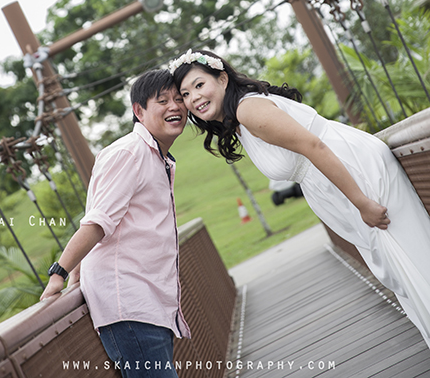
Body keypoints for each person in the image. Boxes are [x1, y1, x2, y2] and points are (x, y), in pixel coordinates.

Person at [170, 48, 430, 348]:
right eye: (185, 94)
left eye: (199, 85)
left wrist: (362, 202)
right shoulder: (240, 119)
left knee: (412, 263)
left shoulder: (247, 110)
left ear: (223, 79)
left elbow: (313, 146)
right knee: (403, 270)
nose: (193, 98)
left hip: (356, 175)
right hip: (338, 183)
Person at [40, 69, 190, 376]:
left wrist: (78, 269)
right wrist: (60, 272)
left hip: (150, 302)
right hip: (130, 306)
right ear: (139, 111)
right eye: (163, 100)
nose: (175, 106)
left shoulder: (158, 158)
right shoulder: (129, 153)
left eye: (179, 99)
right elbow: (96, 222)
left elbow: (102, 213)